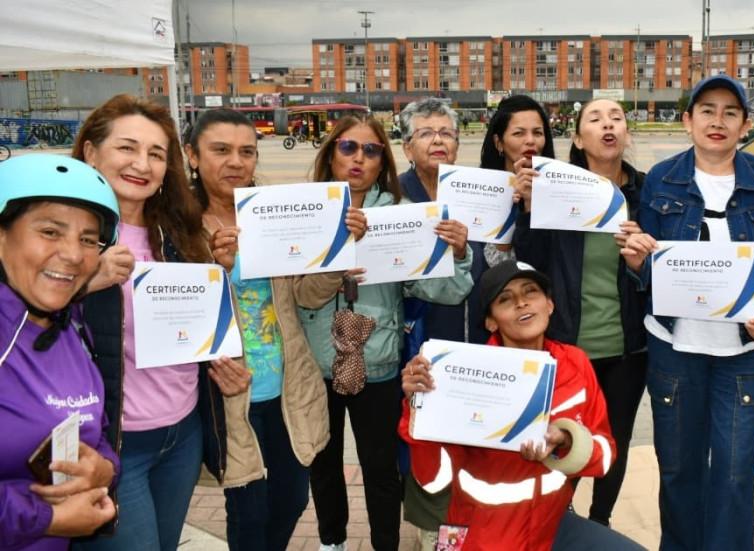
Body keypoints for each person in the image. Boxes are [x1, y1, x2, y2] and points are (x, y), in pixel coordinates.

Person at [619, 74, 754, 550]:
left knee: (735, 474)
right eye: (707, 111)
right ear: (688, 120)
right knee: (679, 470)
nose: (718, 121)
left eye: (730, 112)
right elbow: (649, 263)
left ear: (745, 124)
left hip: (744, 351)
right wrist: (638, 264)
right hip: (675, 347)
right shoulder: (662, 178)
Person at [71, 94, 249, 551]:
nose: (142, 164)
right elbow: (22, 322)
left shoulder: (179, 233)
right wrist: (82, 283)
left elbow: (197, 330)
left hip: (182, 435)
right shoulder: (65, 235)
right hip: (112, 443)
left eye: (156, 153)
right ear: (91, 152)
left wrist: (219, 277)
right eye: (127, 148)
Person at [296, 113, 474, 551]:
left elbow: (446, 291)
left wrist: (458, 254)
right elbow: (300, 295)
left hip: (376, 363)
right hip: (316, 364)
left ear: (383, 162)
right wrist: (336, 248)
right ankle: (332, 541)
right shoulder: (305, 211)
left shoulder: (402, 215)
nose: (359, 158)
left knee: (380, 468)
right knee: (323, 461)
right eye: (348, 147)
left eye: (371, 150)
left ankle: (385, 545)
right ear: (331, 154)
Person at [399, 260, 645, 551]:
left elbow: (605, 457)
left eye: (531, 291)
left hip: (551, 525)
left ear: (550, 305)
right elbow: (433, 481)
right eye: (505, 299)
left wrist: (567, 442)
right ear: (491, 321)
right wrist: (418, 408)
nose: (521, 303)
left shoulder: (575, 363)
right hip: (480, 533)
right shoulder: (462, 376)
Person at [186, 108, 335, 550]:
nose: (236, 162)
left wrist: (335, 257)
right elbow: (176, 317)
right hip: (229, 395)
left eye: (247, 152)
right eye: (221, 150)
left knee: (292, 500)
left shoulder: (272, 215)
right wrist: (212, 265)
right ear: (192, 156)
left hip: (286, 387)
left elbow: (307, 295)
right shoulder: (179, 226)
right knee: (249, 513)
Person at [510, 98, 648, 526]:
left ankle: (600, 522)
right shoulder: (556, 189)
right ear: (577, 138)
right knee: (561, 440)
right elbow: (531, 263)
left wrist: (643, 257)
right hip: (569, 347)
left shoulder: (646, 193)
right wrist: (529, 208)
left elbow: (661, 272)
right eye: (595, 118)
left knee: (613, 442)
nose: (608, 125)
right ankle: (561, 522)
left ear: (626, 133)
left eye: (616, 118)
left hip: (627, 348)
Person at [0, 155, 120, 550]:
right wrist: (47, 518)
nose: (73, 254)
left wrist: (104, 469)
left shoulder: (69, 326)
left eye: (88, 239)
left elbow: (94, 430)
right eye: (50, 231)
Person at [395, 98, 485, 549]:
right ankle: (434, 532)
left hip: (477, 340)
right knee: (426, 444)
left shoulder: (476, 192)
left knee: (474, 439)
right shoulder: (393, 197)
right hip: (419, 340)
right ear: (407, 147)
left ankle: (472, 527)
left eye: (446, 133)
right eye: (426, 133)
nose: (438, 141)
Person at [479, 94, 556, 267]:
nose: (530, 141)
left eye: (537, 133)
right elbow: (495, 264)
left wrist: (531, 205)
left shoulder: (559, 191)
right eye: (518, 133)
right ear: (499, 142)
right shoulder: (480, 192)